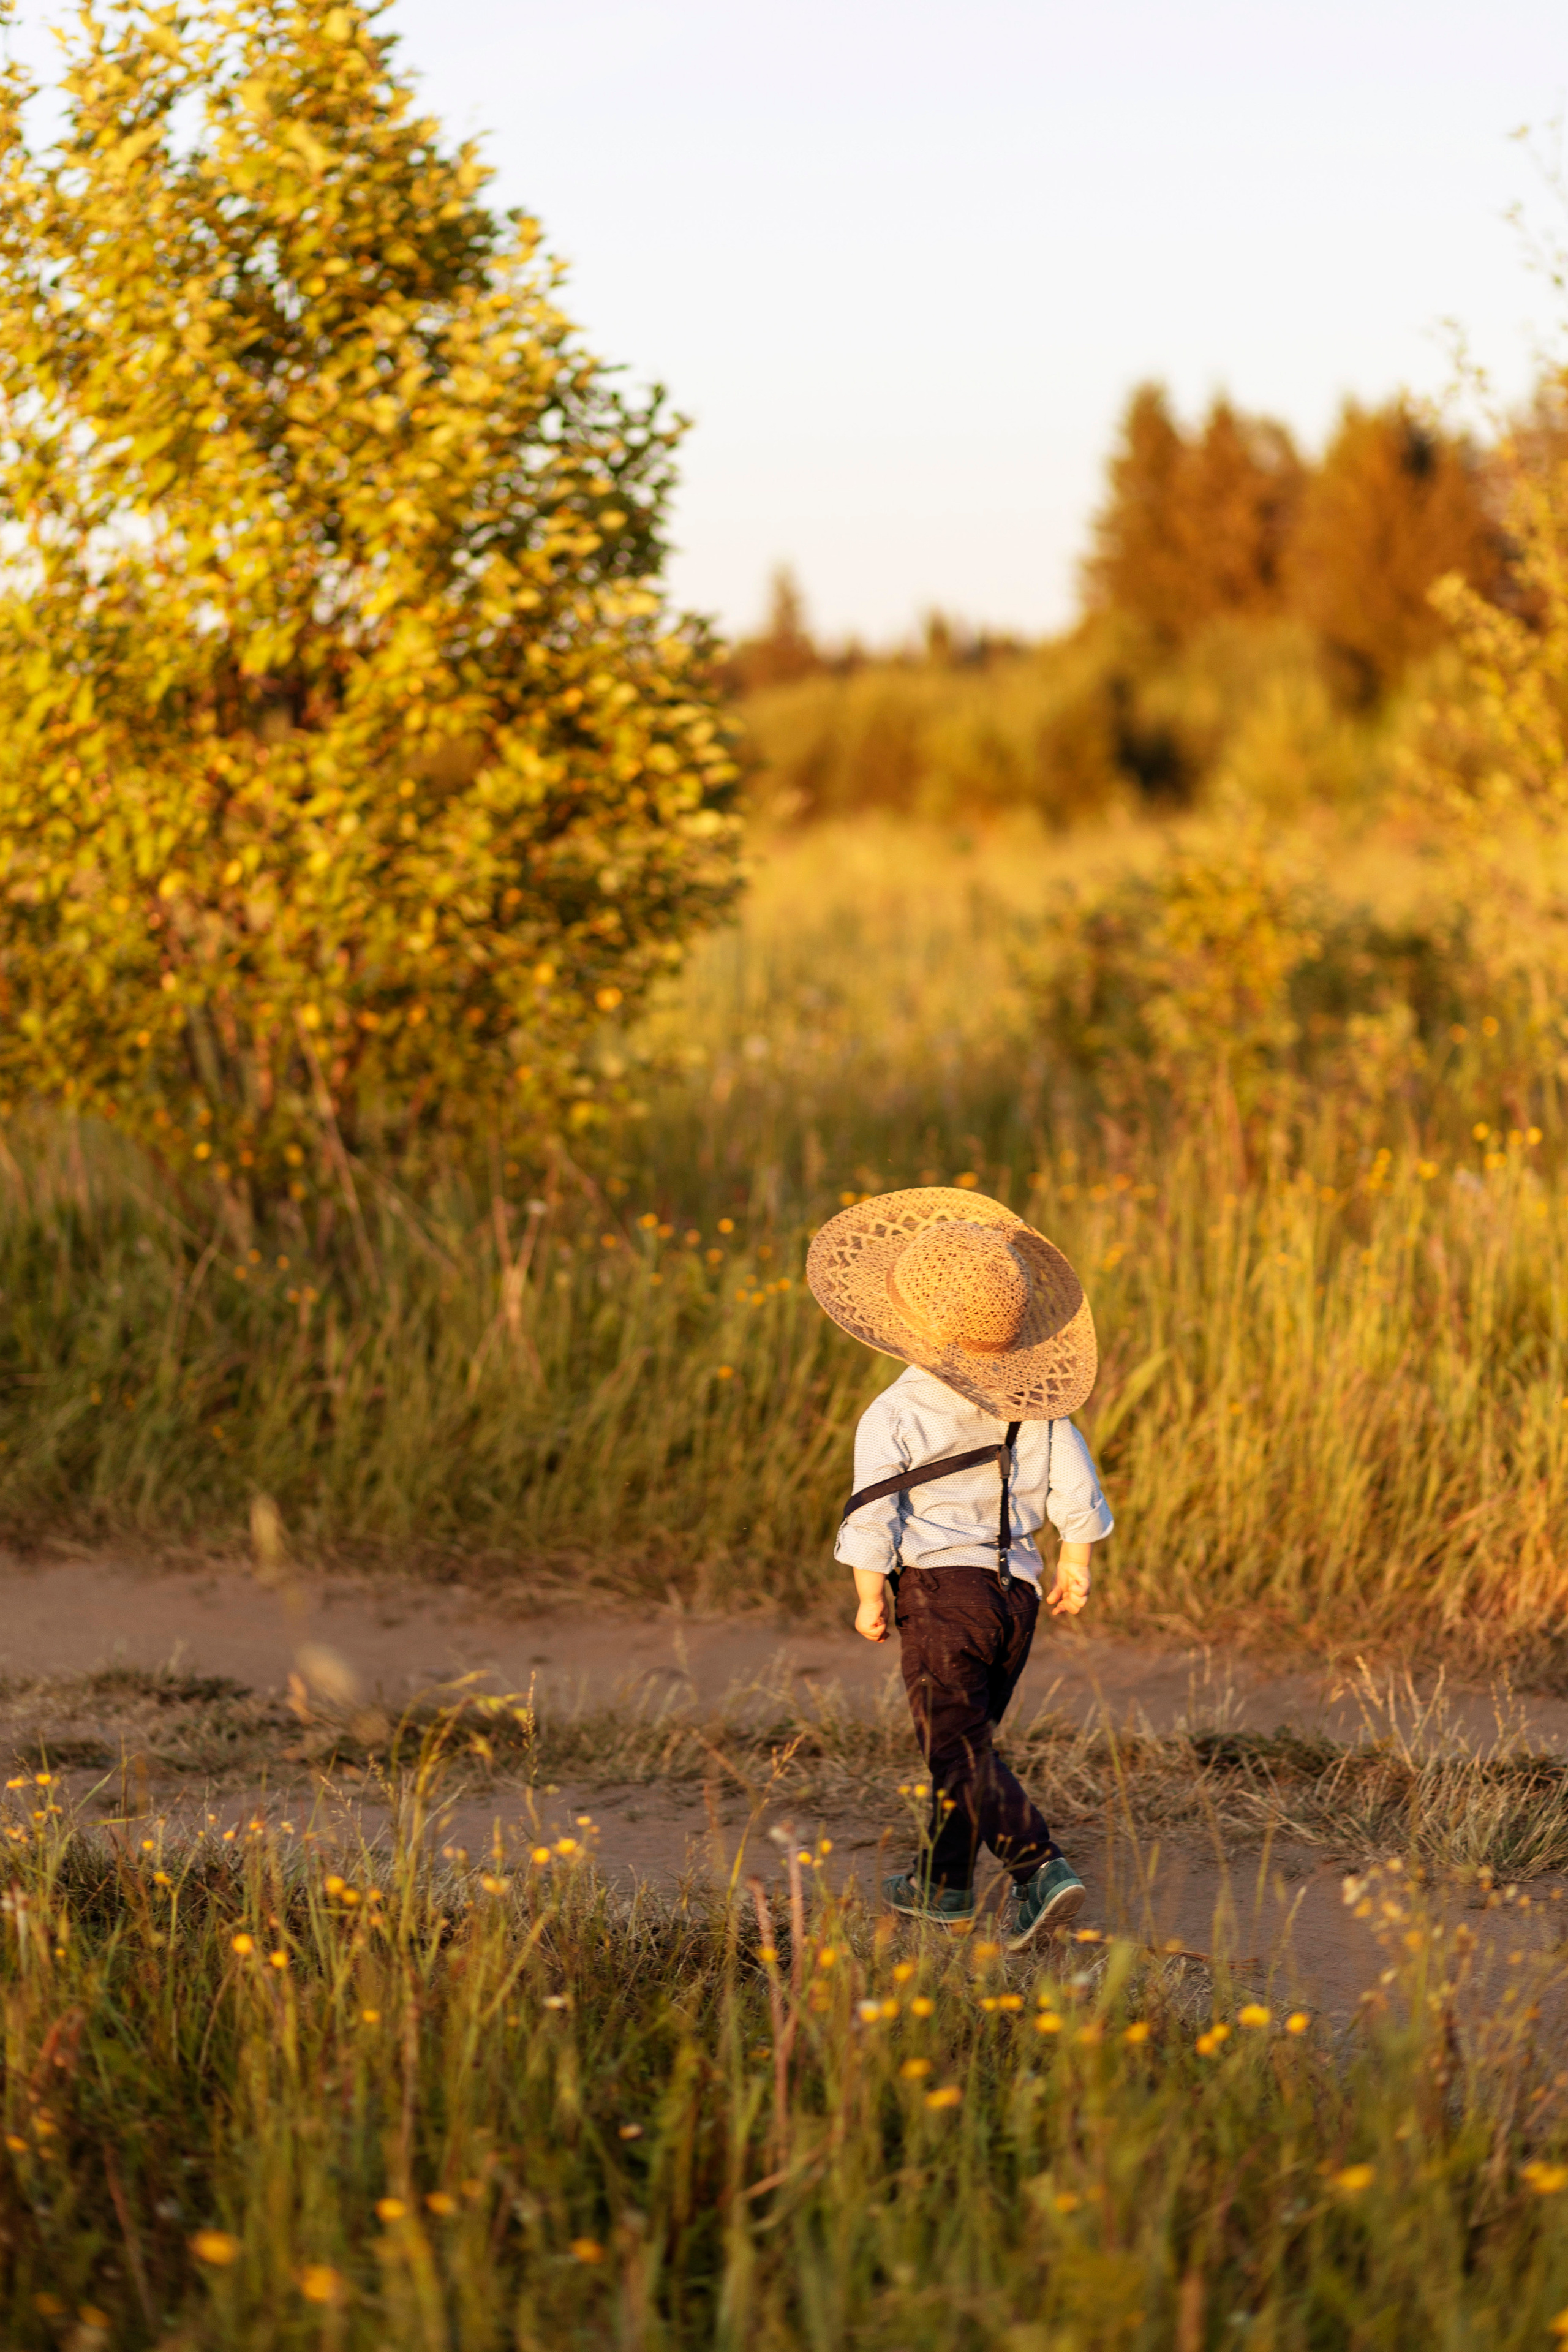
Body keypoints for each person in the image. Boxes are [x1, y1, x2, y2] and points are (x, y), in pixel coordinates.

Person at [806, 1186, 1111, 1948]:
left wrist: (868, 1591)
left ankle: (1037, 1866)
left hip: (943, 1596)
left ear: (904, 1324)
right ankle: (941, 1886)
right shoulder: (1037, 1406)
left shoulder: (894, 1413)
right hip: (1017, 1600)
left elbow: (872, 1514)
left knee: (954, 1744)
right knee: (966, 1744)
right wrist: (1074, 1557)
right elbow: (1077, 1488)